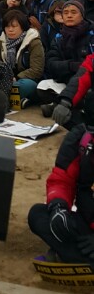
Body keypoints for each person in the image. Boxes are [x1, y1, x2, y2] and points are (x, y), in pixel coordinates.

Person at [28, 91, 94, 267]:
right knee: (38, 215)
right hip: (86, 221)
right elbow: (62, 179)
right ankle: (79, 257)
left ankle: (69, 255)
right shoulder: (80, 139)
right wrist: (58, 207)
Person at [0, 9, 45, 106]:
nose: (10, 30)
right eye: (7, 26)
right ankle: (13, 100)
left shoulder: (33, 42)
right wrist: (2, 77)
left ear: (22, 27)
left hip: (26, 79)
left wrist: (16, 77)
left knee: (23, 85)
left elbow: (37, 70)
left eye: (14, 26)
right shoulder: (1, 41)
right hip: (5, 79)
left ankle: (0, 100)